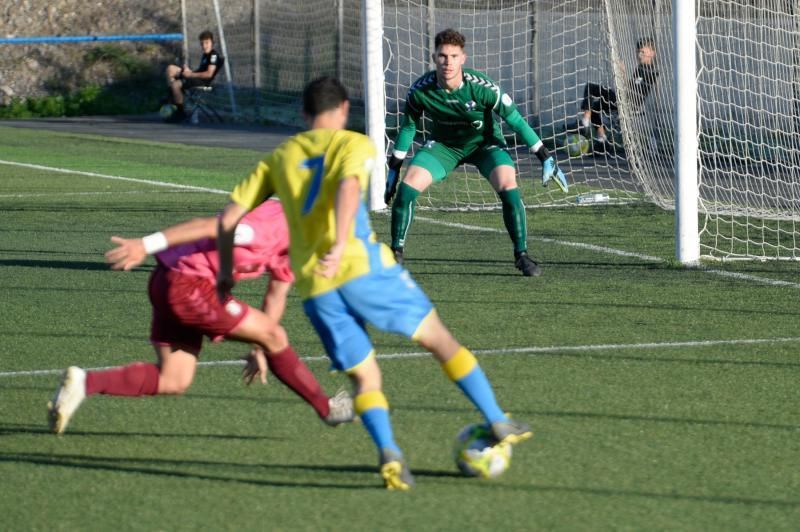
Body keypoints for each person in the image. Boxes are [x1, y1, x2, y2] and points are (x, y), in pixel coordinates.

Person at [213, 76, 533, 490]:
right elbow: (347, 188)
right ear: (344, 110)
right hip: (364, 269)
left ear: (303, 114)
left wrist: (224, 276)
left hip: (316, 288)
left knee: (365, 379)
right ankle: (495, 418)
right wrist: (341, 239)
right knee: (440, 341)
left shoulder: (279, 158)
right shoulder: (354, 144)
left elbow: (225, 220)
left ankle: (390, 454)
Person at [47, 200, 355, 435]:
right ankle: (326, 408)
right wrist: (145, 244)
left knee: (174, 379)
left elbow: (276, 293)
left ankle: (85, 383)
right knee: (276, 336)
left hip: (171, 283)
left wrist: (259, 347)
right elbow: (208, 226)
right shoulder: (270, 226)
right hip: (187, 286)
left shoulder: (300, 243)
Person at [384, 28, 568, 277]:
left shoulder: (482, 87)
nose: (447, 62)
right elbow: (408, 127)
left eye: (453, 56)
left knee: (508, 185)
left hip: (485, 145)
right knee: (407, 188)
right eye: (442, 56)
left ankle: (521, 255)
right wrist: (394, 167)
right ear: (433, 57)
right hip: (443, 147)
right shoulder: (420, 90)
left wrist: (545, 157)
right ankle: (396, 254)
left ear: (463, 58)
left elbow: (516, 121)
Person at [579, 37, 658, 146]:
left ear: (652, 53)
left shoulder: (649, 71)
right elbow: (630, 87)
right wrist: (623, 73)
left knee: (591, 88)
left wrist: (622, 74)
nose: (640, 55)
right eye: (638, 52)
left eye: (643, 52)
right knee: (595, 107)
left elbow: (634, 92)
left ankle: (585, 120)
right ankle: (602, 138)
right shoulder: (641, 68)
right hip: (624, 100)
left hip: (627, 102)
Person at [164, 30, 223, 122]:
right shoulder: (205, 55)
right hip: (195, 77)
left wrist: (190, 74)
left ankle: (180, 112)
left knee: (175, 85)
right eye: (202, 43)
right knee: (170, 69)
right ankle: (172, 99)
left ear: (212, 43)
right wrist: (188, 71)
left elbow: (209, 74)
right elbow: (200, 71)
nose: (204, 46)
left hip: (202, 81)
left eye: (207, 43)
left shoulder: (213, 56)